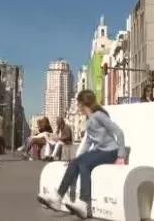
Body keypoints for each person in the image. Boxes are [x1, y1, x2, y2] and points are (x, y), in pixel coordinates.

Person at [37, 90, 126, 219]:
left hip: (110, 151)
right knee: (75, 162)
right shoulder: (89, 119)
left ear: (84, 103)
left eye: (78, 104)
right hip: (99, 151)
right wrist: (76, 158)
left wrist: (121, 155)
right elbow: (88, 142)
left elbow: (118, 132)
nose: (78, 108)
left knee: (84, 164)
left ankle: (84, 204)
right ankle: (58, 197)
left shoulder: (99, 115)